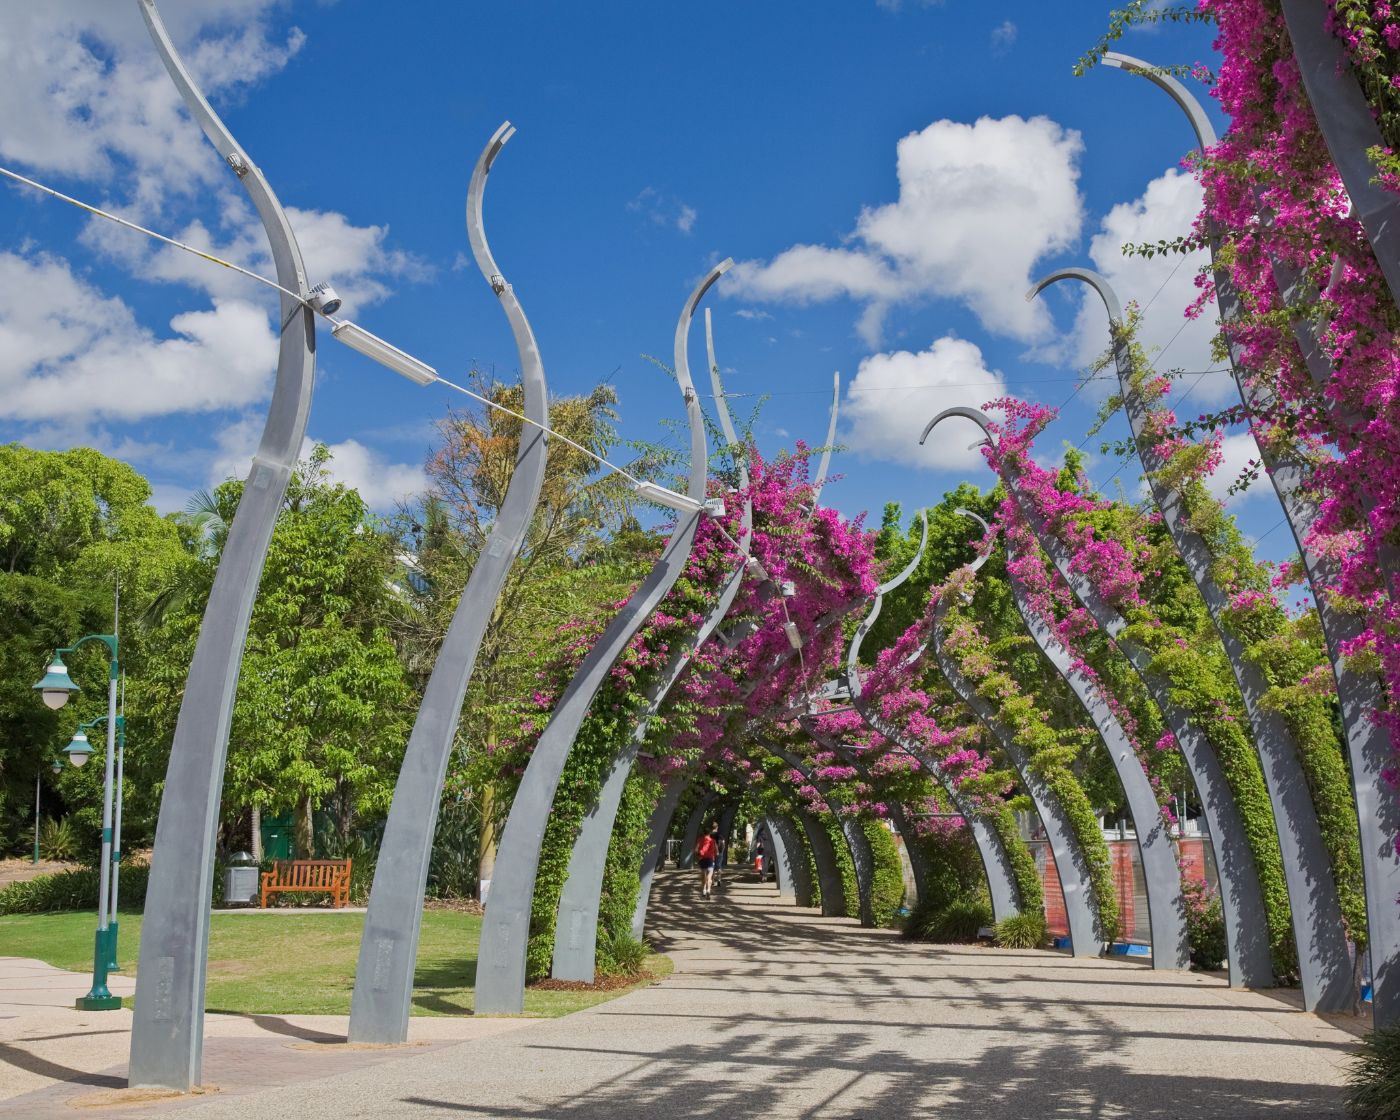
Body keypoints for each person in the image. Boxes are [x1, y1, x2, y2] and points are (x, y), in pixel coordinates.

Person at [695, 822, 720, 899]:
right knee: (709, 876)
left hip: (702, 859)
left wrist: (698, 855)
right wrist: (714, 855)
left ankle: (703, 890)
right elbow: (717, 852)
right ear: (710, 833)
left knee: (703, 876)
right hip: (710, 860)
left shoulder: (700, 840)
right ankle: (708, 890)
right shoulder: (713, 841)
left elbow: (696, 850)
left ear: (704, 832)